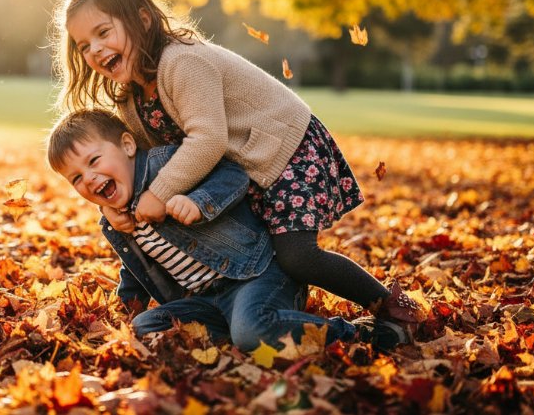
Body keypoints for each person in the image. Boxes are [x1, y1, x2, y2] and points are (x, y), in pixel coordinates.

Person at [51, 0, 423, 344]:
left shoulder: (181, 62)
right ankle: (246, 314)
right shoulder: (131, 97)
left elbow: (207, 140)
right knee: (262, 258)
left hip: (282, 152)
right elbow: (143, 164)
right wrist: (116, 209)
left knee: (296, 256)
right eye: (84, 45)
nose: (95, 50)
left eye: (103, 32)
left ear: (142, 19)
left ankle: (390, 306)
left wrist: (158, 194)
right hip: (238, 169)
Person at [47, 109, 365, 352]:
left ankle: (355, 334)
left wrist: (199, 202)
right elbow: (136, 267)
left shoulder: (169, 167)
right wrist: (128, 306)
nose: (88, 178)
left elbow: (232, 175)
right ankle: (243, 329)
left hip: (260, 275)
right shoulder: (115, 219)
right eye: (75, 178)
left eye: (93, 161)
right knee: (146, 326)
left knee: (252, 331)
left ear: (127, 145)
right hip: (207, 300)